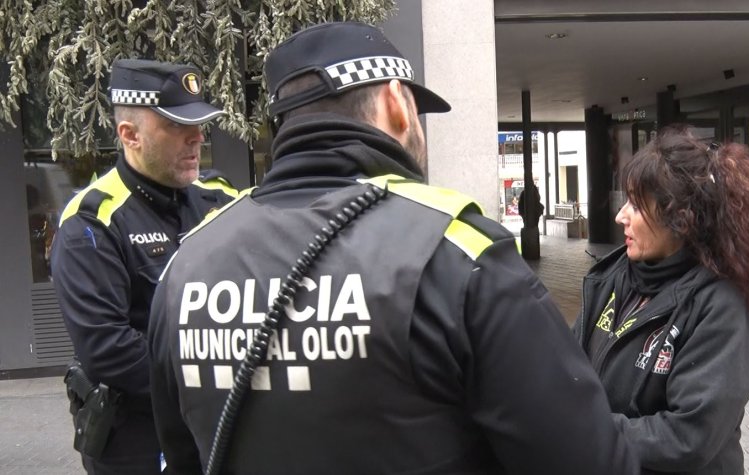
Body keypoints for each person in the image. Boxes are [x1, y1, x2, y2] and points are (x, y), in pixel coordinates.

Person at [148, 22, 636, 475]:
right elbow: (587, 459)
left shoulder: (186, 264)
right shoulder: (456, 251)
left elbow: (182, 452)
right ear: (397, 104)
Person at [50, 58, 238, 474]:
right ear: (129, 134)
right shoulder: (92, 221)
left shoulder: (220, 198)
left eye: (199, 123)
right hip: (138, 438)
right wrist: (215, 379)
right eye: (176, 125)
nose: (197, 137)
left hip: (214, 426)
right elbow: (108, 349)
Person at [573, 126, 749, 474]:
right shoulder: (611, 278)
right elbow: (567, 369)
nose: (620, 216)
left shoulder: (722, 305)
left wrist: (583, 432)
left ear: (679, 218)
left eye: (636, 205)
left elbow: (690, 435)